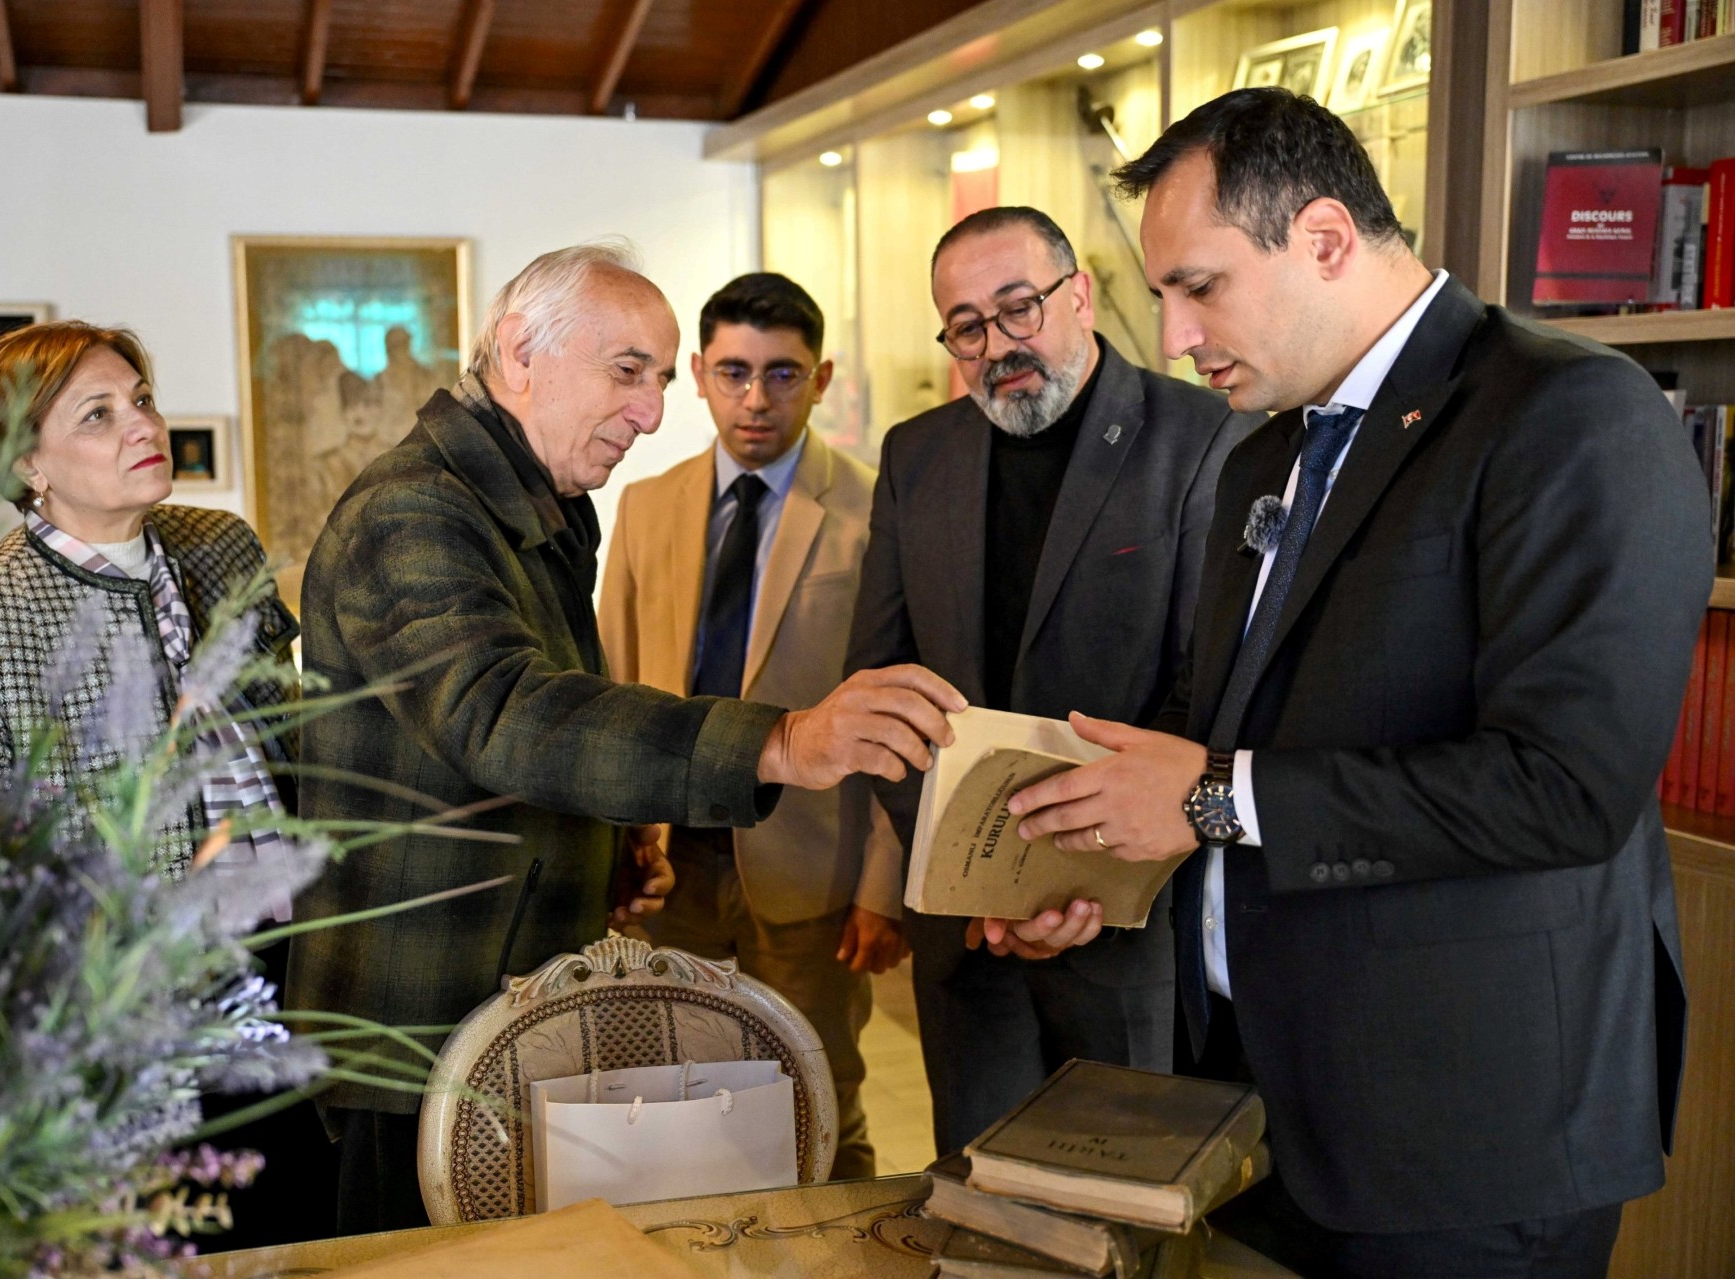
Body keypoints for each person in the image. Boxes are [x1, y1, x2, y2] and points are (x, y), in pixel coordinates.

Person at [1005, 88, 1705, 1278]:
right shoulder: (1265, 451)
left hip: (1464, 1136)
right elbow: (1236, 727)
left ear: (1325, 238)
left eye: (1199, 287)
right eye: (1162, 294)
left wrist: (1207, 799)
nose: (1172, 336)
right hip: (1259, 1107)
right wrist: (1102, 856)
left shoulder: (1570, 414)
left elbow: (1564, 788)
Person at [286, 241, 964, 1233]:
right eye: (627, 372)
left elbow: (552, 715)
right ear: (520, 352)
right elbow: (502, 712)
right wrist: (779, 742)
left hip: (502, 1009)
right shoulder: (413, 510)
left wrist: (608, 841)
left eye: (658, 379)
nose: (650, 413)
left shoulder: (536, 503)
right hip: (416, 1027)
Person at [0, 320, 336, 1248]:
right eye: (97, 415)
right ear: (28, 465)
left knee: (312, 1226)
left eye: (140, 400)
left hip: (293, 961)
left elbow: (295, 737)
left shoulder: (220, 547)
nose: (144, 425)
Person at [844, 207, 1260, 1156]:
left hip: (1125, 922)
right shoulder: (916, 454)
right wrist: (972, 870)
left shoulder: (1205, 436)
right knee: (979, 1191)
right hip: (966, 926)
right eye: (966, 327)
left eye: (1018, 308)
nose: (998, 345)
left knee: (1123, 1198)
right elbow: (878, 681)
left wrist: (1077, 874)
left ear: (1080, 295)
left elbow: (1209, 686)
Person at [599, 272, 905, 1179]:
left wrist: (885, 882)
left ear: (821, 378)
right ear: (698, 374)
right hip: (668, 862)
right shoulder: (645, 504)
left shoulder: (875, 511)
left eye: (782, 373)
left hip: (812, 864)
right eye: (734, 372)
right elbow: (611, 682)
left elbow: (901, 704)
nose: (755, 399)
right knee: (672, 1099)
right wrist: (614, 844)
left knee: (820, 1107)